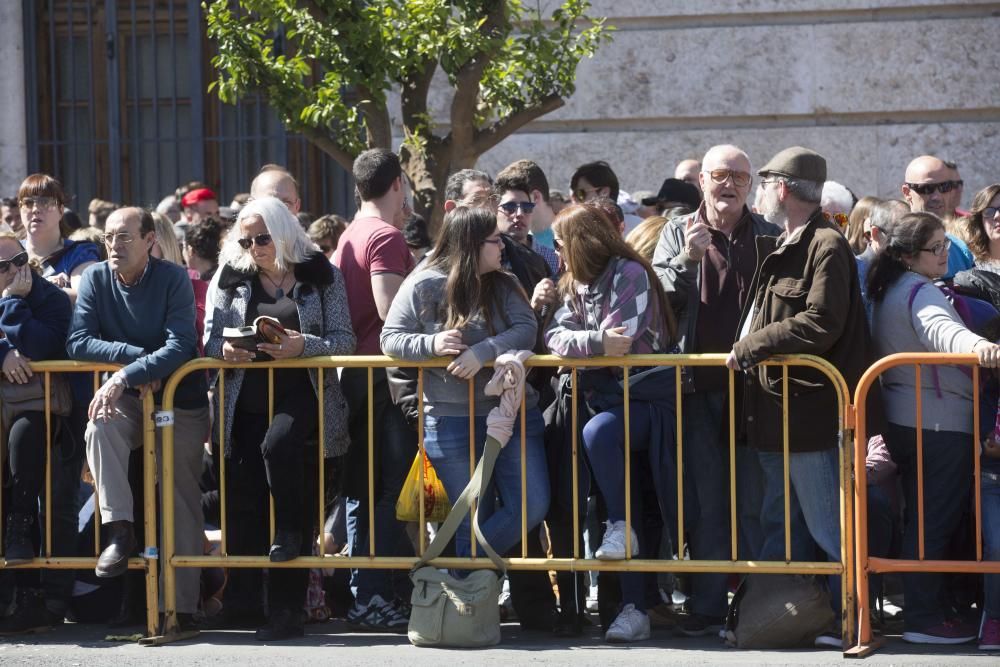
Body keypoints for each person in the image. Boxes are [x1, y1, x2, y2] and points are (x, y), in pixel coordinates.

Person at [729, 146, 870, 649]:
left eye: (765, 183)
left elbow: (822, 322)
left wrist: (751, 347)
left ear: (782, 188)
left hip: (808, 412)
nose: (761, 193)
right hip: (775, 411)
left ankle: (848, 621)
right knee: (780, 526)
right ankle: (784, 620)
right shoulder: (789, 241)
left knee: (828, 526)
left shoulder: (826, 244)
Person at [204, 196, 355, 640]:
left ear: (284, 231)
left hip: (303, 396)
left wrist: (300, 346)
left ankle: (288, 609)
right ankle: (244, 603)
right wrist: (225, 350)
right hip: (243, 402)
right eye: (246, 240)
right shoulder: (230, 278)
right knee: (245, 503)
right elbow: (209, 339)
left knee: (284, 463)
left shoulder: (322, 274)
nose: (255, 248)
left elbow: (344, 339)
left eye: (263, 238)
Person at [653, 144, 781, 635]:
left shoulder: (768, 234)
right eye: (721, 175)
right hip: (696, 384)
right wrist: (688, 259)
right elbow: (658, 299)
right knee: (708, 500)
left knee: (754, 496)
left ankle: (754, 605)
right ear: (702, 180)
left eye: (741, 177)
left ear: (752, 186)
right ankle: (707, 605)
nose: (730, 184)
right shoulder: (676, 230)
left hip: (757, 387)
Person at [66, 207, 209, 632]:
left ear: (151, 240)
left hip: (179, 398)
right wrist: (137, 364)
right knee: (99, 426)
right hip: (128, 396)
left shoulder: (173, 278)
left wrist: (129, 373)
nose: (114, 245)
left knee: (181, 497)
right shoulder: (94, 279)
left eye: (125, 236)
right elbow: (78, 342)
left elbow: (182, 345)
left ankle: (182, 607)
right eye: (109, 237)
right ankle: (118, 532)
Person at [380, 205, 549, 563]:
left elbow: (527, 329)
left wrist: (484, 351)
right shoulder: (423, 284)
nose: (502, 246)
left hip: (511, 414)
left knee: (531, 506)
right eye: (494, 240)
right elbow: (390, 339)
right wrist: (431, 345)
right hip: (449, 419)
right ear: (470, 244)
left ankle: (456, 567)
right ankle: (466, 609)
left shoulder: (505, 282)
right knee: (470, 518)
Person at [545, 203, 678, 643]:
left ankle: (625, 541)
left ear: (580, 241)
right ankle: (630, 607)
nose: (556, 252)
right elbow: (555, 336)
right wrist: (592, 341)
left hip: (650, 399)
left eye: (560, 242)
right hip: (602, 398)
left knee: (599, 435)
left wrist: (588, 344)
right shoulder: (572, 283)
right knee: (609, 489)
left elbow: (616, 342)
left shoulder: (630, 273)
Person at [867, 211, 1000, 644]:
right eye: (936, 248)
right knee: (933, 522)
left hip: (916, 419)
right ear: (909, 255)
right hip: (939, 424)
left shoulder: (892, 286)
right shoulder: (919, 291)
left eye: (946, 245)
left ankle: (926, 611)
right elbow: (942, 331)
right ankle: (923, 618)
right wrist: (983, 347)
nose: (946, 254)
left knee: (925, 520)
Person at [332, 148, 416, 631]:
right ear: (398, 184)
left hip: (358, 375)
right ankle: (374, 594)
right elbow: (390, 309)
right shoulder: (383, 236)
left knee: (364, 490)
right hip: (382, 378)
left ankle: (370, 592)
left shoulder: (350, 234)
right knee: (384, 490)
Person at [0, 233, 72, 635]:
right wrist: (3, 352)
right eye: (1, 267)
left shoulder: (48, 297)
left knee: (23, 457)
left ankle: (34, 598)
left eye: (18, 261)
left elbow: (46, 345)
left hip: (39, 406)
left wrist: (11, 303)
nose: (11, 272)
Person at [18, 174, 100, 303]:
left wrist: (39, 287)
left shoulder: (79, 252)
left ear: (61, 211)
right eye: (28, 203)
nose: (35, 209)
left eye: (45, 202)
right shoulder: (8, 253)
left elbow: (85, 296)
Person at [902, 155, 973, 280]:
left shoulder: (960, 250)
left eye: (944, 187)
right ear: (907, 193)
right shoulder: (894, 248)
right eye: (927, 188)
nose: (937, 196)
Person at [493, 172, 559, 276]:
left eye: (526, 207)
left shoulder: (553, 259)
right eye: (510, 207)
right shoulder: (487, 260)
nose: (520, 214)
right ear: (494, 210)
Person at [570, 161, 642, 234]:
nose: (574, 199)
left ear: (604, 192)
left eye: (580, 193)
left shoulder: (638, 229)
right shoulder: (570, 229)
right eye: (573, 195)